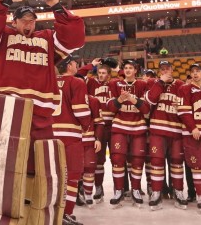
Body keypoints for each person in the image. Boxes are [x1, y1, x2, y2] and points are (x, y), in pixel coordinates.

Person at [0, 0, 85, 177]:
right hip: (6, 112)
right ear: (14, 22)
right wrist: (7, 0)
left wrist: (56, 5)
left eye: (32, 20)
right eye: (23, 20)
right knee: (2, 173)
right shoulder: (3, 36)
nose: (28, 23)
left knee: (39, 172)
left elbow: (75, 38)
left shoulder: (48, 38)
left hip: (40, 116)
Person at [145, 60, 188, 211]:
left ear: (172, 69)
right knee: (156, 162)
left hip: (176, 131)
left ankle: (178, 191)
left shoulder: (181, 85)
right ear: (159, 71)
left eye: (167, 69)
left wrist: (180, 106)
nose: (165, 71)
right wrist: (160, 83)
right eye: (162, 69)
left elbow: (187, 107)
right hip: (157, 129)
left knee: (177, 162)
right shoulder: (153, 83)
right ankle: (157, 192)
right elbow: (150, 100)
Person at [54, 55, 91, 225]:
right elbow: (81, 111)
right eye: (76, 62)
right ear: (69, 66)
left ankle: (53, 212)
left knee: (54, 176)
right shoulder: (77, 82)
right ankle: (65, 213)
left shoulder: (49, 82)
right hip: (70, 135)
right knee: (72, 175)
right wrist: (87, 125)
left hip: (49, 135)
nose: (78, 65)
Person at [107, 60, 150, 207]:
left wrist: (132, 98)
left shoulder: (142, 85)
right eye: (125, 68)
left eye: (131, 68)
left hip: (138, 127)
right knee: (117, 159)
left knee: (137, 161)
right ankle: (118, 190)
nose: (128, 70)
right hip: (119, 126)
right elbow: (111, 108)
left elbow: (146, 109)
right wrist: (120, 99)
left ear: (136, 70)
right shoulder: (114, 84)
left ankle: (136, 189)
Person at [178, 64, 201, 213]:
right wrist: (192, 127)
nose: (195, 74)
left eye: (198, 71)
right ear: (190, 74)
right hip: (194, 134)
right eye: (192, 72)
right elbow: (183, 111)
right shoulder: (185, 89)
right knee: (198, 166)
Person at [77, 58, 116, 203]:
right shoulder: (92, 83)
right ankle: (98, 187)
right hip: (97, 127)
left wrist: (116, 67)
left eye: (104, 73)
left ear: (109, 74)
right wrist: (91, 65)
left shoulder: (114, 84)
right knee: (98, 161)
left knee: (116, 159)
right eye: (99, 72)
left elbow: (127, 76)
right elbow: (78, 76)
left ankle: (122, 188)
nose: (100, 75)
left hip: (112, 126)